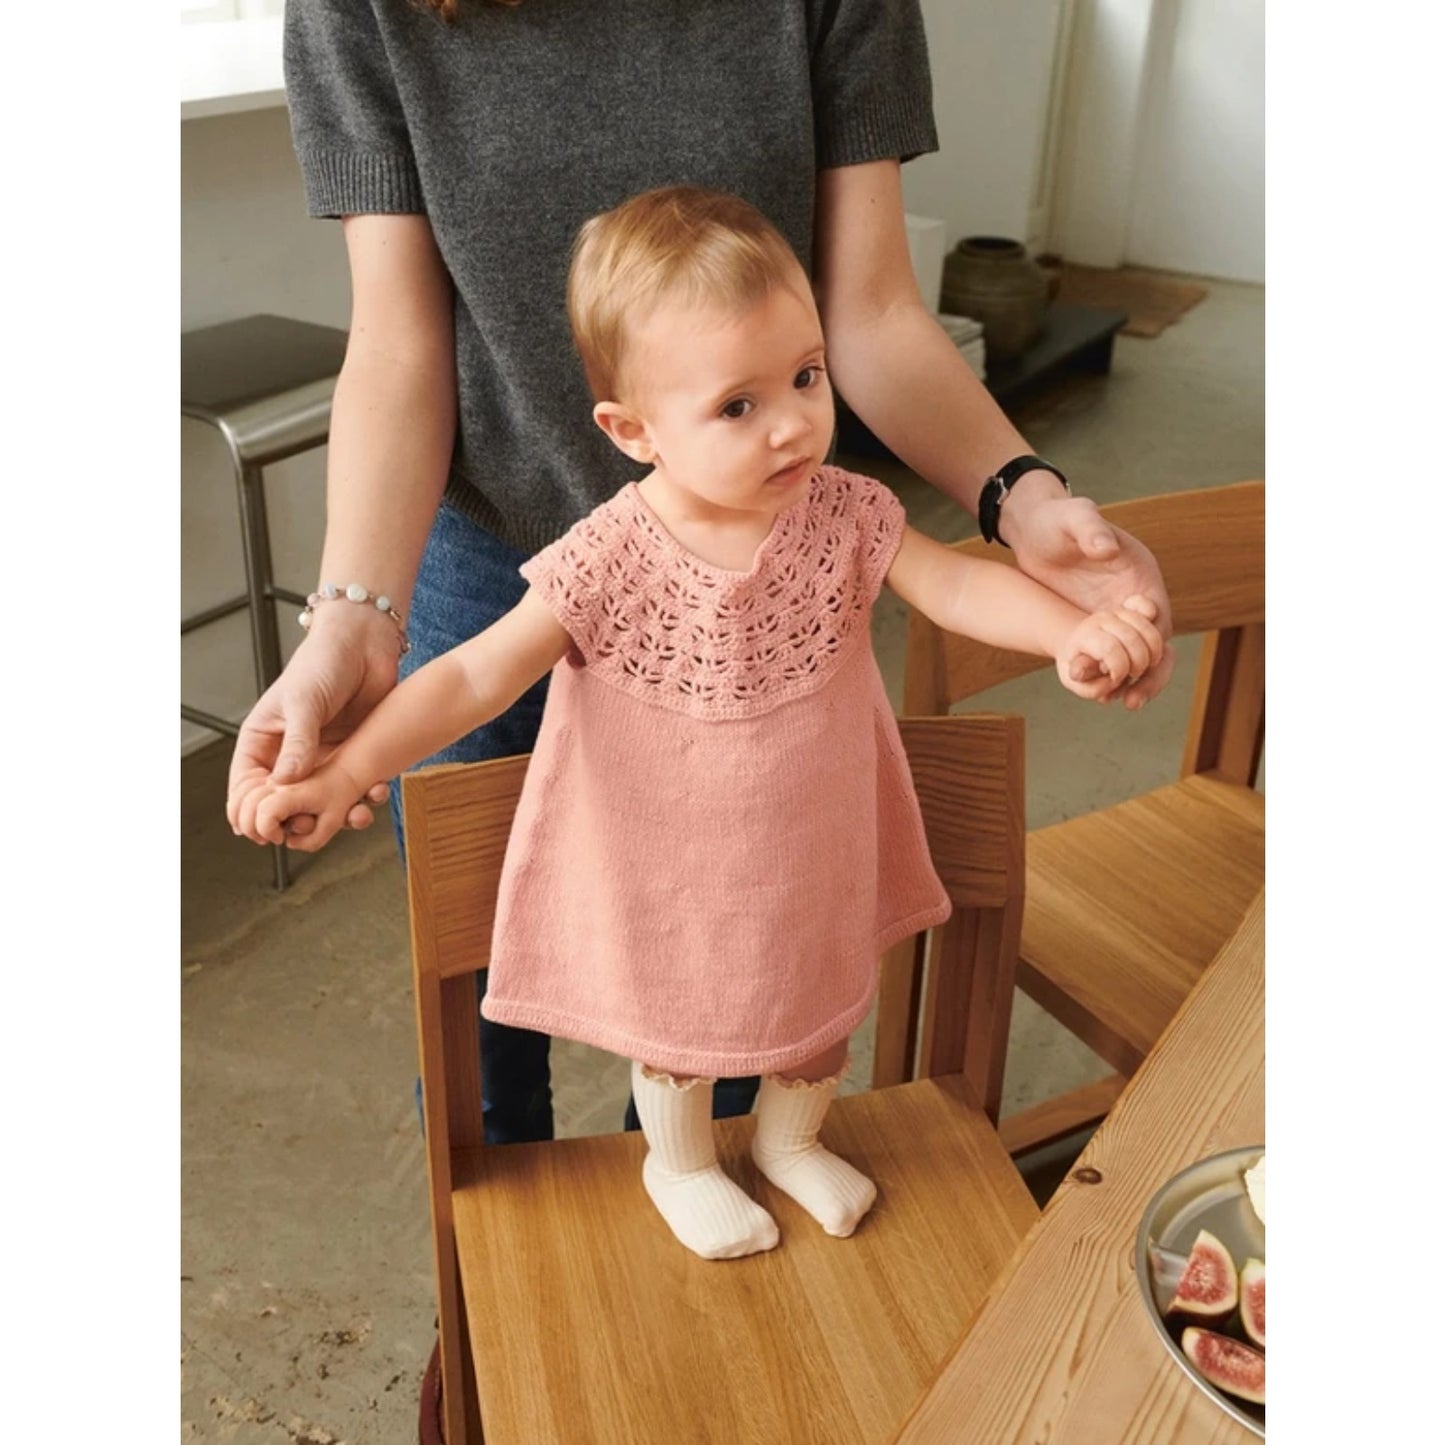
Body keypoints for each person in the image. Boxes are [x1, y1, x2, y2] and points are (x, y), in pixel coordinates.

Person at [229, 0, 1175, 1146]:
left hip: (763, 764)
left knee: (751, 976)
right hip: (486, 547)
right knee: (482, 1007)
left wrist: (1036, 536)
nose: (790, 424)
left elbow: (881, 342)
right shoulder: (598, 558)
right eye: (739, 404)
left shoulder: (833, 513)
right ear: (625, 428)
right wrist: (348, 676)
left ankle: (719, 1173)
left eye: (805, 379)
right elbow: (464, 638)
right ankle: (565, 1231)